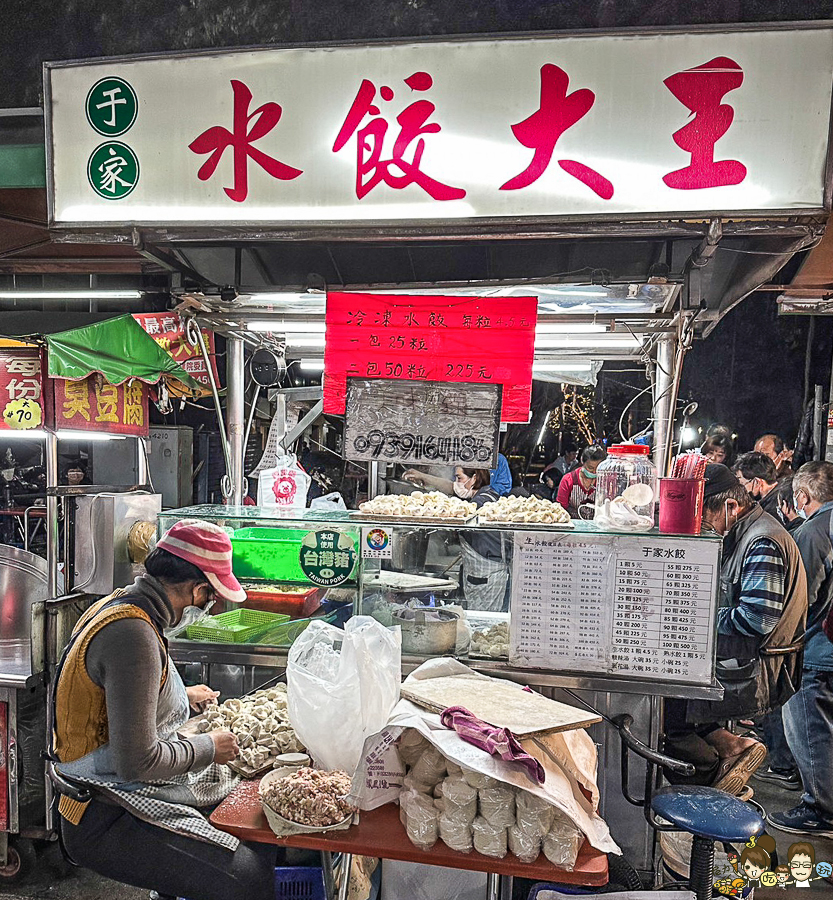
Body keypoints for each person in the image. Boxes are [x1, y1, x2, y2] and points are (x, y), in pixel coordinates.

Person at [52, 520, 280, 900]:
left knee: (253, 823)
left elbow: (121, 692)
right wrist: (210, 746)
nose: (210, 607)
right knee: (249, 877)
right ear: (196, 588)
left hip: (112, 792)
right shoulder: (133, 635)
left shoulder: (122, 604)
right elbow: (137, 762)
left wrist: (180, 694)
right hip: (103, 812)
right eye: (211, 598)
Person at [663, 464, 807, 795]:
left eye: (701, 519)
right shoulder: (742, 532)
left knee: (663, 715)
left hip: (753, 669)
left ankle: (713, 780)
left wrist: (689, 616)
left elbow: (757, 619)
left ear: (730, 507)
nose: (698, 529)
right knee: (673, 699)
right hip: (738, 660)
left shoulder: (762, 542)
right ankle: (733, 747)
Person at [768, 462, 833, 838]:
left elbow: (799, 600)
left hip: (818, 651)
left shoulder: (814, 531)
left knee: (811, 733)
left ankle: (820, 811)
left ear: (803, 497)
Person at [454, 466, 509, 610]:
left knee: (484, 627)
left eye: (459, 478)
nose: (456, 483)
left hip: (486, 576)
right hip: (486, 574)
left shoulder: (479, 504)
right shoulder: (491, 494)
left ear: (474, 478)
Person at [556, 446, 607, 518]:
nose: (595, 472)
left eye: (598, 468)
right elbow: (560, 509)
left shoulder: (606, 482)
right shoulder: (568, 480)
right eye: (590, 468)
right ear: (582, 461)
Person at [733, 452, 780, 518]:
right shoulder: (780, 492)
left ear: (757, 482)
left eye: (741, 483)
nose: (740, 489)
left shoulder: (769, 513)